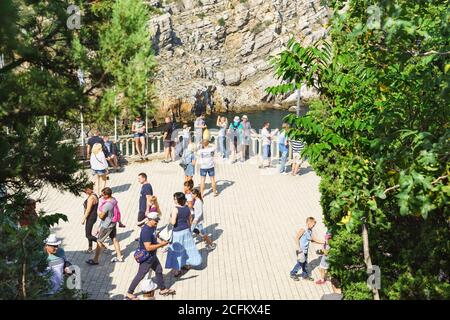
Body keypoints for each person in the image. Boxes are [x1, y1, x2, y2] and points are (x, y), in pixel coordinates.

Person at [126, 212, 175, 300]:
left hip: (152, 256)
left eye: (157, 220)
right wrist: (162, 244)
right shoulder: (146, 231)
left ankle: (163, 289)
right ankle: (129, 293)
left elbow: (154, 236)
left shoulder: (153, 226)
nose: (157, 222)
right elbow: (148, 247)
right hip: (146, 257)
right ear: (149, 220)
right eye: (155, 220)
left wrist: (160, 238)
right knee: (140, 275)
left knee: (159, 270)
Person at [165, 192, 202, 277]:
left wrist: (170, 218)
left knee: (176, 251)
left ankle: (177, 270)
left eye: (174, 198)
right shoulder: (187, 208)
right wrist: (189, 230)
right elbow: (189, 220)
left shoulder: (175, 209)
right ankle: (186, 264)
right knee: (186, 249)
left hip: (177, 233)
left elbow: (173, 222)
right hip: (186, 231)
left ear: (178, 200)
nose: (174, 200)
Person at [86, 187, 124, 265]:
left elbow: (101, 216)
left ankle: (95, 260)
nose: (102, 196)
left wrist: (99, 213)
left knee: (99, 241)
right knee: (114, 239)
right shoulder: (113, 200)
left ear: (107, 195)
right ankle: (119, 256)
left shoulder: (107, 205)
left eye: (103, 194)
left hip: (106, 225)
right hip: (113, 224)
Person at [290, 217, 324, 281]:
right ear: (309, 223)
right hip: (301, 250)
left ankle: (304, 275)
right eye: (313, 225)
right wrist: (298, 248)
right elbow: (296, 238)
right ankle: (292, 273)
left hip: (305, 250)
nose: (313, 226)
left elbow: (313, 240)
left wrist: (323, 243)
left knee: (305, 263)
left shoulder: (310, 231)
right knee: (300, 263)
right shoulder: (303, 229)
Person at [81, 182, 98, 254]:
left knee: (88, 235)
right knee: (89, 233)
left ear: (89, 189)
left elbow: (88, 210)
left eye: (85, 190)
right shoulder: (94, 195)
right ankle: (90, 248)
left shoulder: (91, 198)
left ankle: (102, 244)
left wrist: (83, 219)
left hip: (91, 217)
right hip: (92, 216)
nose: (85, 192)